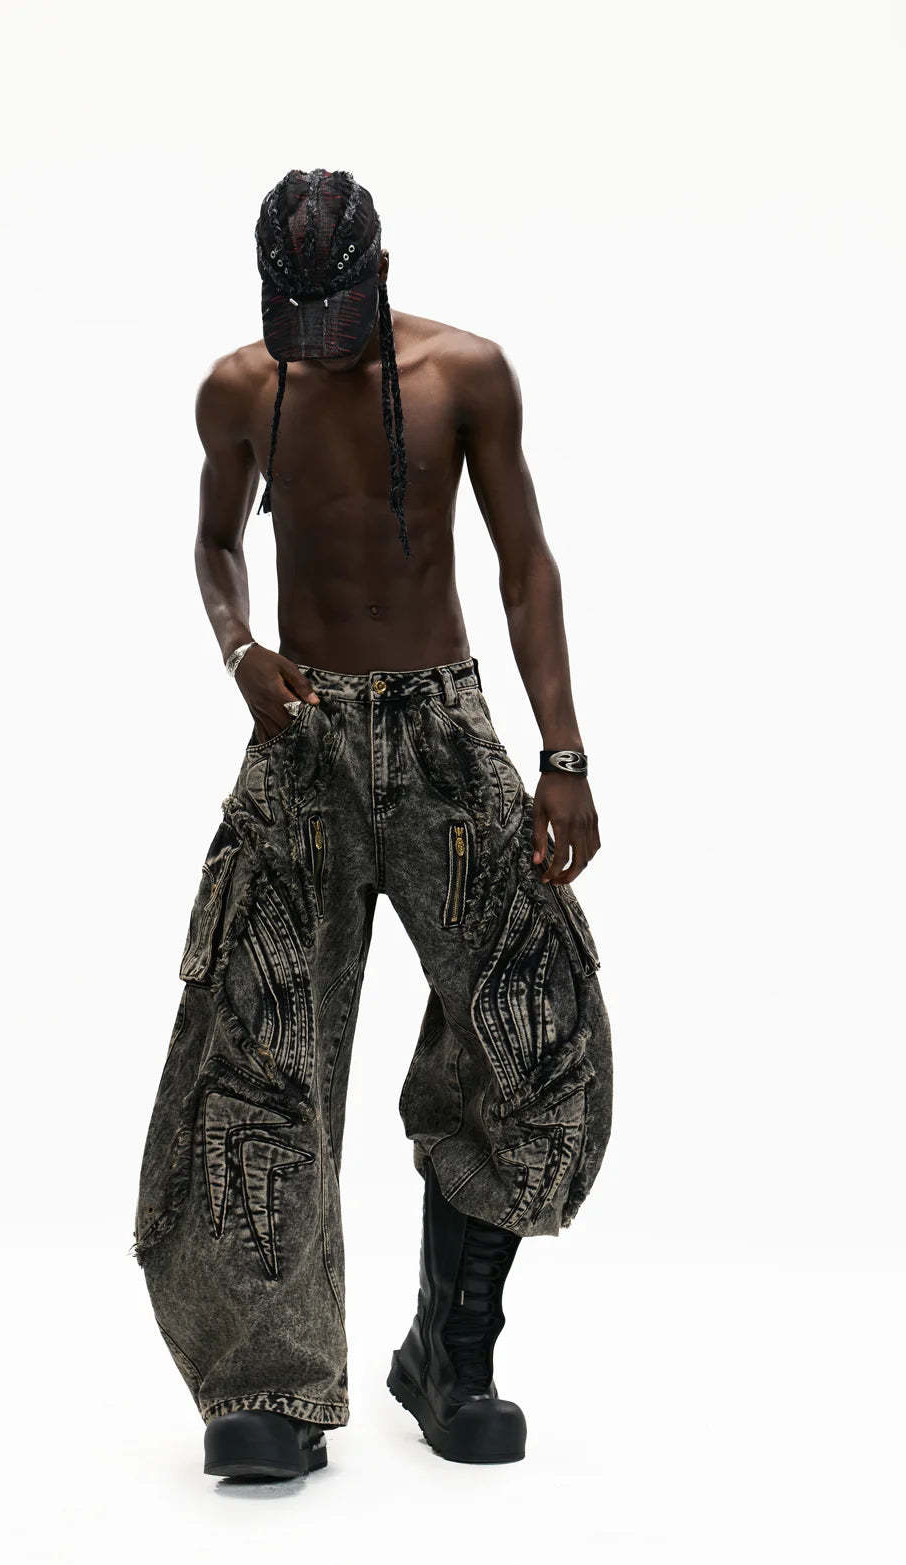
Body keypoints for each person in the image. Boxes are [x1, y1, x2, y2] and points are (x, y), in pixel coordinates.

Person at [134, 168, 613, 1480]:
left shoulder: (465, 375)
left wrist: (562, 754)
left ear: (380, 275)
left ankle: (451, 1353)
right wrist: (240, 651)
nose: (319, 343)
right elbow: (215, 545)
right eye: (296, 320)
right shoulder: (240, 389)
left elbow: (524, 563)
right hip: (304, 736)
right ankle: (270, 1386)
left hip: (442, 733)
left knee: (535, 1022)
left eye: (336, 317)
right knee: (256, 1050)